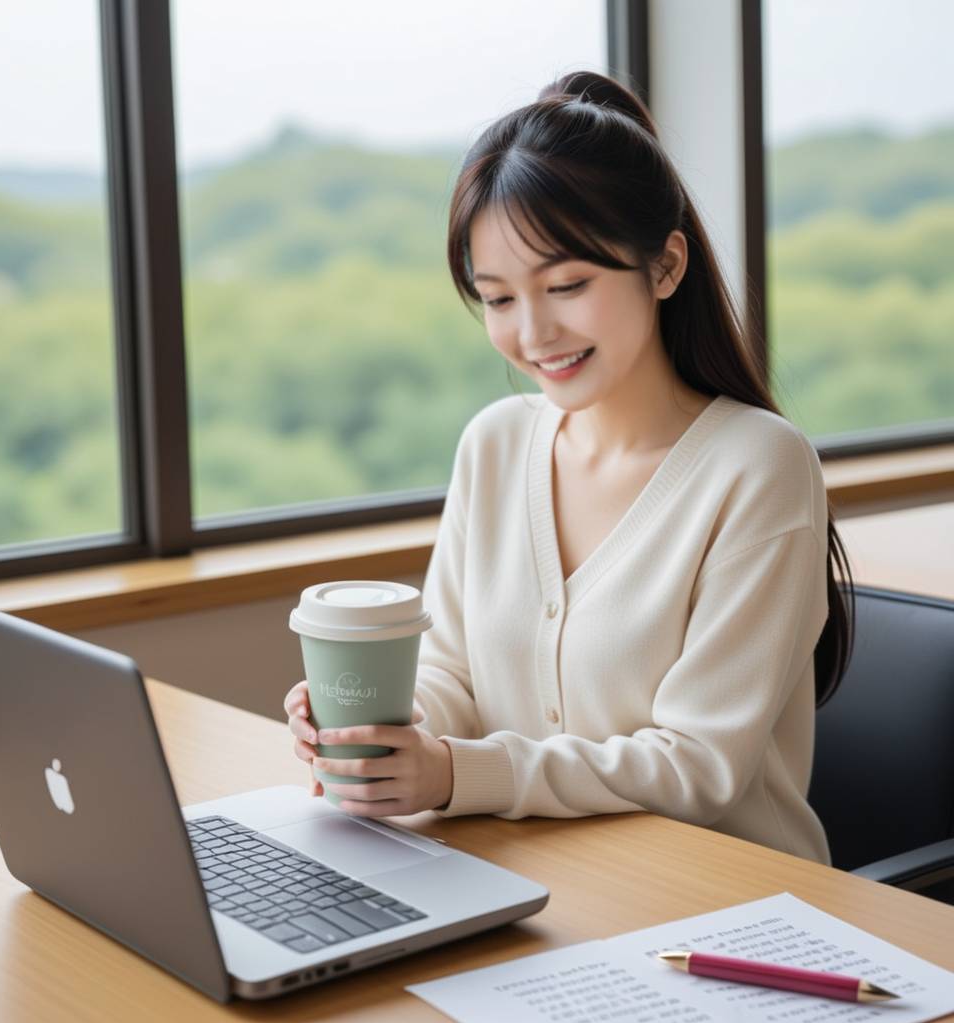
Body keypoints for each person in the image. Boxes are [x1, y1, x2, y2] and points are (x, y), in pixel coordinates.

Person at [284, 70, 855, 864]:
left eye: (568, 285)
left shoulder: (759, 467)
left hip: (726, 911)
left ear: (664, 267)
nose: (534, 332)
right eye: (499, 298)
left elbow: (700, 766)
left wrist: (454, 774)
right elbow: (456, 675)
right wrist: (379, 727)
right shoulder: (494, 444)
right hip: (544, 890)